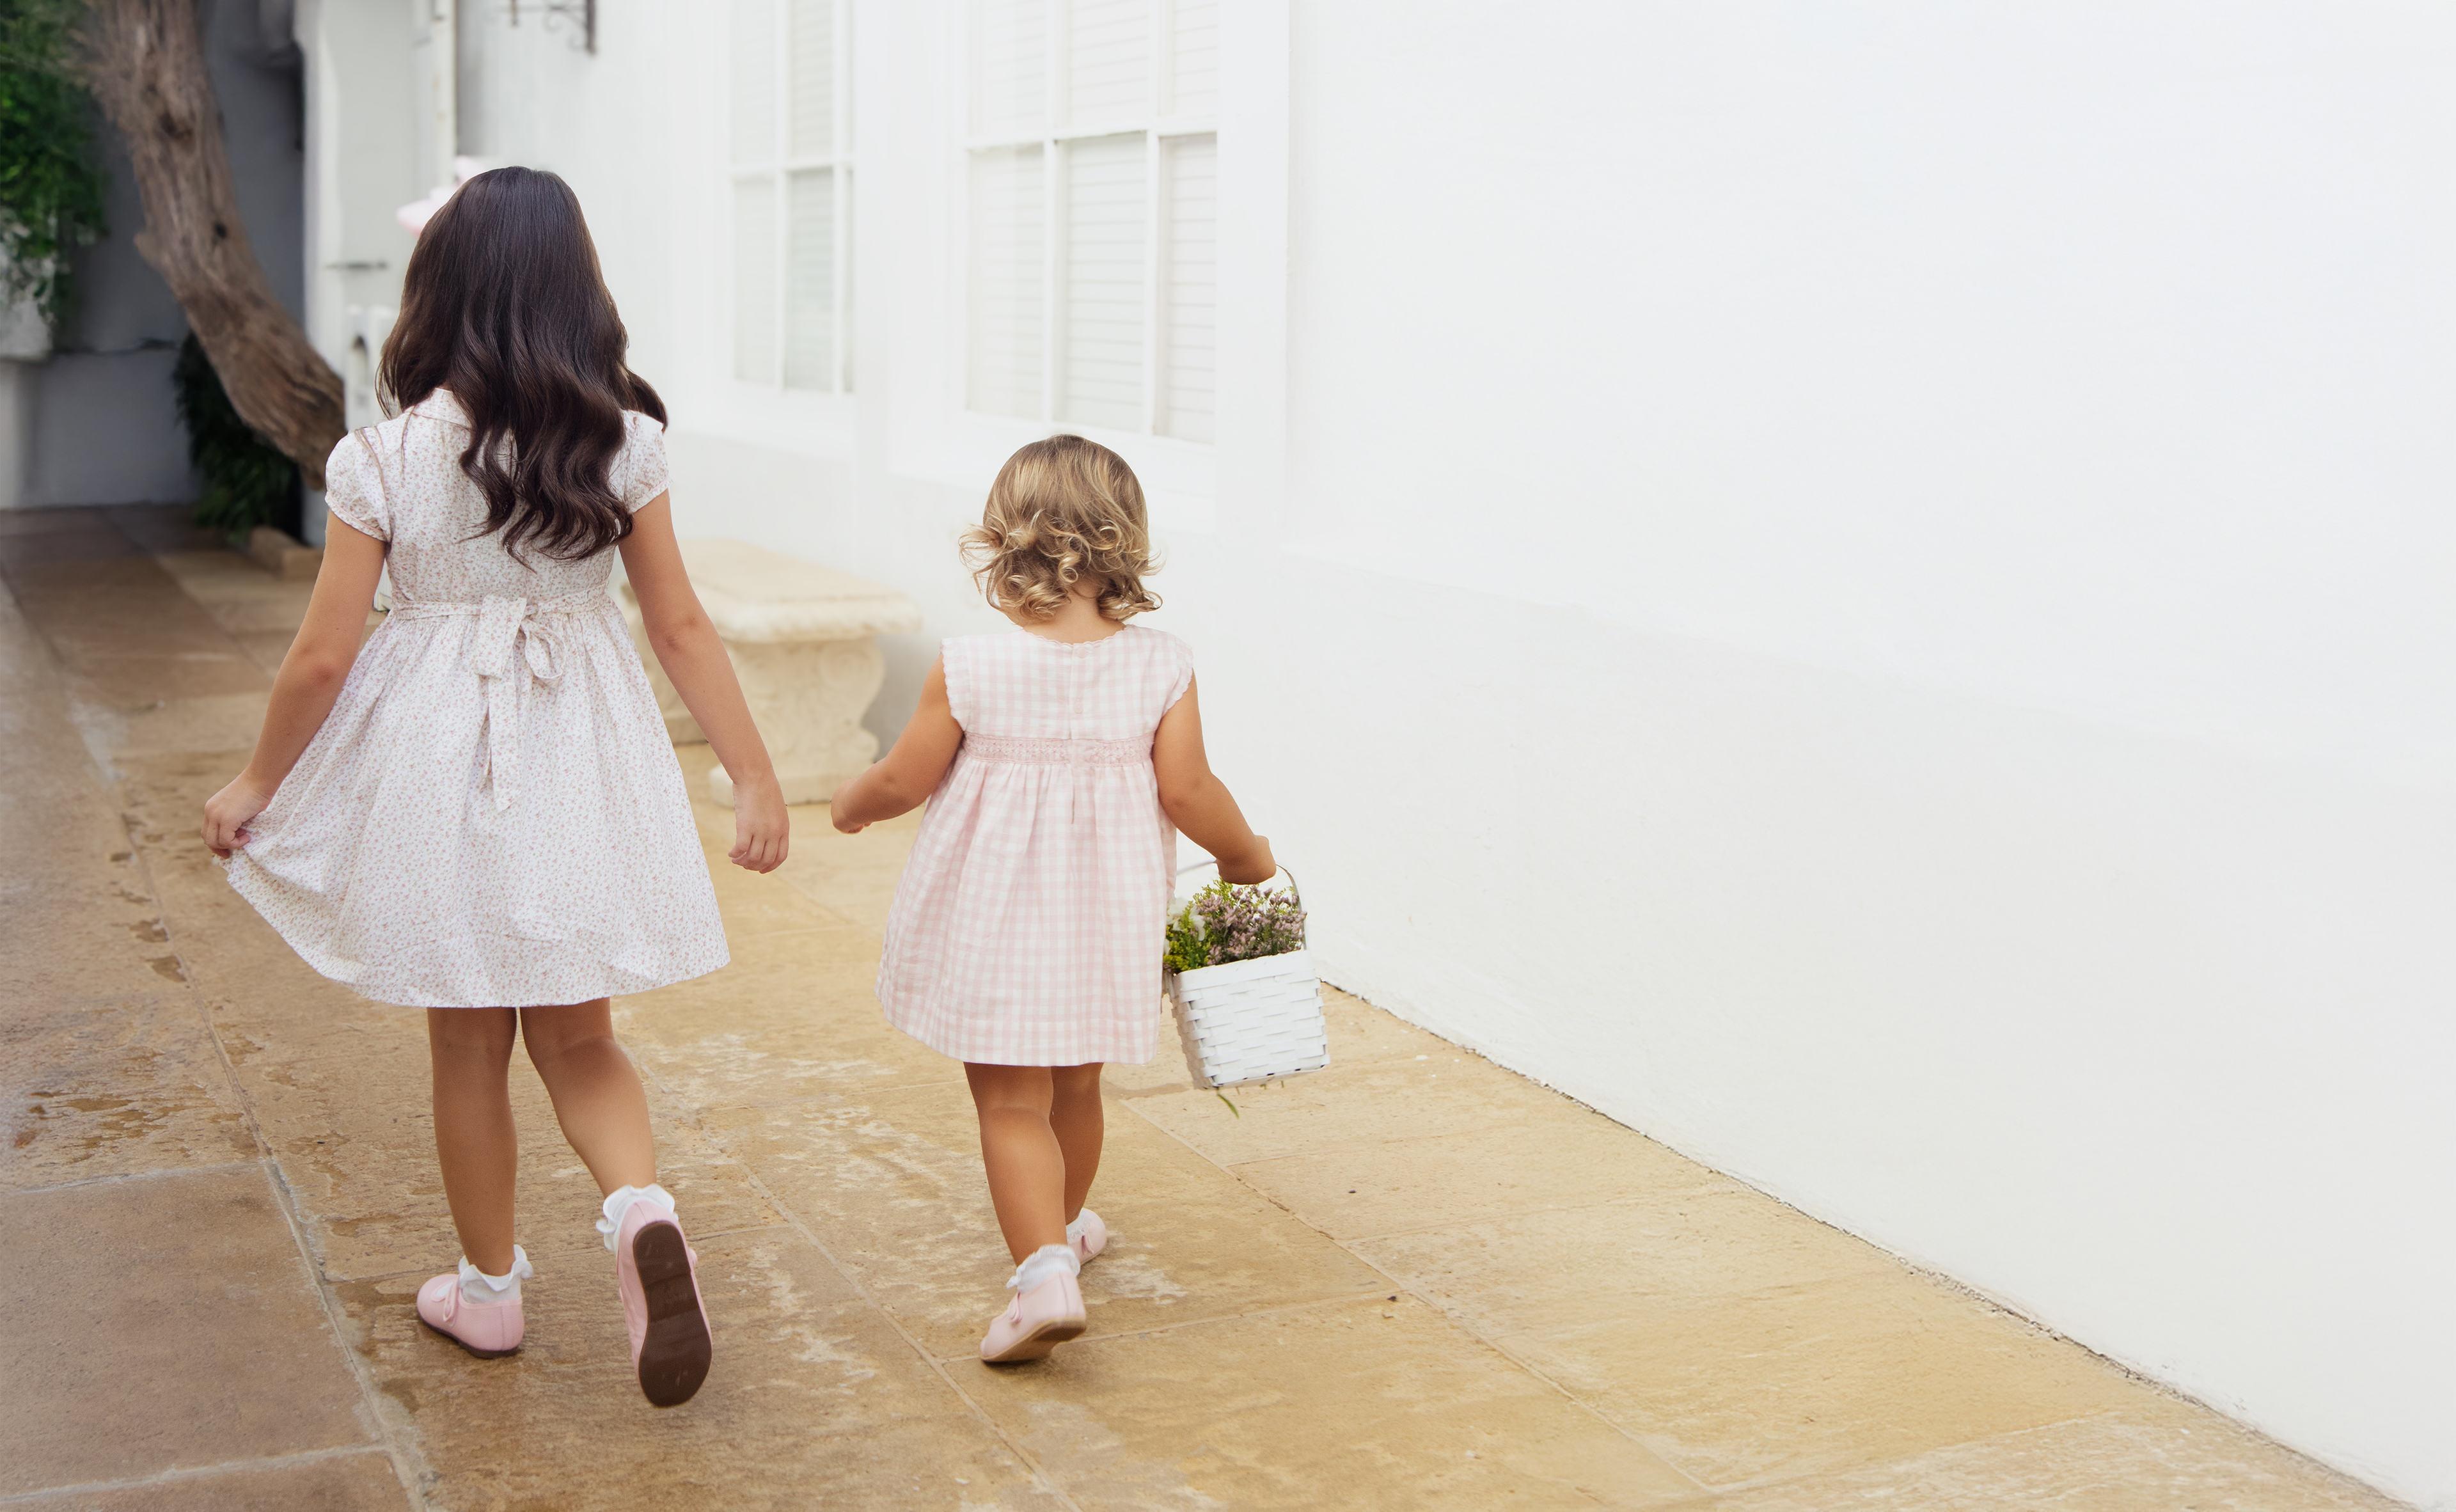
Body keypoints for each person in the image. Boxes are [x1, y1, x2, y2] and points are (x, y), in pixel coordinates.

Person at [198, 167, 788, 1408]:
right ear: (578, 291)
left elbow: (322, 654)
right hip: (580, 752)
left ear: (439, 294)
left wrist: (259, 781)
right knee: (579, 1035)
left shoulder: (383, 459)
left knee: (467, 1040)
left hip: (438, 766)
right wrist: (753, 779)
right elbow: (678, 626)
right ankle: (638, 1210)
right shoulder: (620, 443)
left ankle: (489, 1288)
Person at [830, 435, 1275, 1363]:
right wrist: (1245, 858)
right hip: (1104, 925)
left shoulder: (972, 664)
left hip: (994, 925)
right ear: (1124, 546)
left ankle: (1041, 1274)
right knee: (1077, 1085)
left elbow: (908, 777)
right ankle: (1062, 1230)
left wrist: (852, 805)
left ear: (1005, 544)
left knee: (1008, 1103)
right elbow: (1190, 790)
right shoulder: (1162, 665)